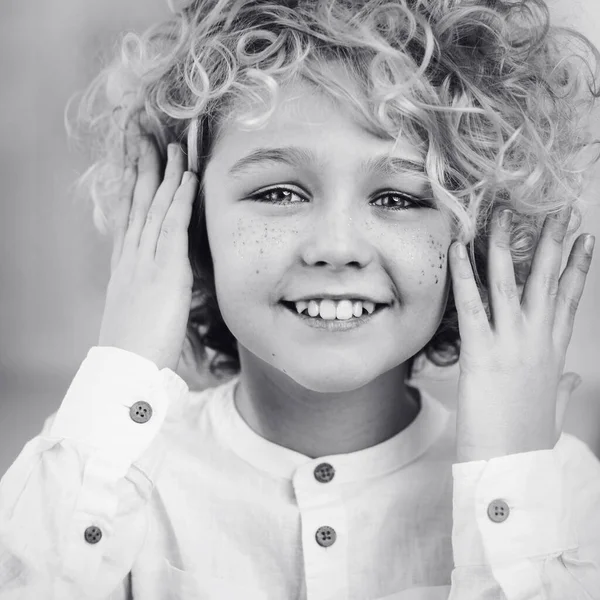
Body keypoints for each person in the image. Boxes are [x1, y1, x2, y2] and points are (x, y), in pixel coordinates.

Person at [1, 0, 600, 597]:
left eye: (397, 198)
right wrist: (125, 360)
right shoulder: (99, 468)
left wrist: (509, 475)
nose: (336, 248)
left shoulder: (547, 486)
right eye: (280, 193)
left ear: (471, 236)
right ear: (188, 225)